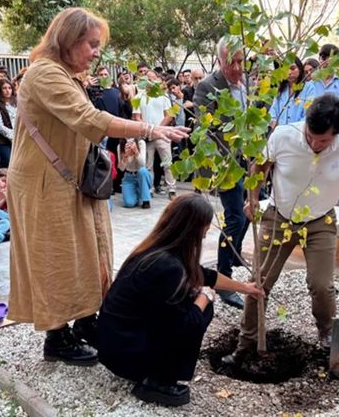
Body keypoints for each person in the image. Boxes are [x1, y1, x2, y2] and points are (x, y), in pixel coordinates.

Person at [6, 7, 188, 366]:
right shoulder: (45, 73)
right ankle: (57, 337)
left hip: (71, 181)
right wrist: (149, 130)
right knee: (56, 257)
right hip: (45, 184)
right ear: (68, 40)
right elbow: (90, 119)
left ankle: (87, 320)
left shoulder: (65, 73)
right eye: (91, 44)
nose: (95, 53)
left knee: (91, 251)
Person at [223, 94, 339, 360]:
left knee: (322, 285)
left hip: (319, 222)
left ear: (338, 133)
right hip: (279, 217)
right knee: (259, 282)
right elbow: (260, 166)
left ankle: (327, 334)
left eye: (323, 140)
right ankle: (247, 343)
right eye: (310, 136)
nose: (314, 143)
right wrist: (252, 197)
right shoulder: (284, 135)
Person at [98, 194, 264, 406]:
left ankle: (158, 370)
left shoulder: (156, 250)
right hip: (125, 356)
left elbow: (204, 274)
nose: (205, 234)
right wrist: (205, 296)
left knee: (191, 297)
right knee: (201, 308)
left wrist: (245, 288)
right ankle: (159, 382)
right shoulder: (168, 267)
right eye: (204, 228)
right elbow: (185, 324)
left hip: (115, 343)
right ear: (192, 229)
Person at [193, 37, 249, 309]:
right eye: (232, 62)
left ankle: (234, 255)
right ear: (219, 61)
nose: (238, 68)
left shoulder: (246, 84)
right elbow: (205, 132)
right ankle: (224, 279)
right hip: (225, 166)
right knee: (235, 219)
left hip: (248, 163)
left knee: (250, 212)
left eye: (241, 61)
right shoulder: (207, 87)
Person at [133, 70, 177, 198]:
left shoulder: (163, 96)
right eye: (147, 79)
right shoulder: (138, 97)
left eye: (153, 79)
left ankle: (172, 188)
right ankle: (149, 189)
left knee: (168, 162)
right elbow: (137, 117)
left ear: (158, 80)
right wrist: (149, 131)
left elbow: (169, 116)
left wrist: (157, 129)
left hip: (162, 134)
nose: (150, 82)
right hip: (147, 136)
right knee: (148, 164)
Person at [299, 44, 339, 122]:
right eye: (323, 57)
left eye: (329, 58)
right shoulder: (312, 83)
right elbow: (304, 109)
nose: (325, 61)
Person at [268, 57, 306, 128]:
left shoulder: (308, 87)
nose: (289, 72)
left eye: (293, 68)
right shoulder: (281, 89)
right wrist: (276, 125)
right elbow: (273, 112)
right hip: (280, 133)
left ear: (300, 69)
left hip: (299, 133)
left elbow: (308, 115)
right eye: (286, 69)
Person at [117, 138, 152, 208]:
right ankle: (139, 193)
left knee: (142, 171)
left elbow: (142, 164)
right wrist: (125, 156)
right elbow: (121, 168)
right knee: (129, 203)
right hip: (128, 176)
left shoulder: (141, 143)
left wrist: (136, 152)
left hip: (141, 174)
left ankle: (146, 200)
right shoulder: (120, 146)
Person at [0, 78, 16, 168]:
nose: (7, 90)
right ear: (0, 90)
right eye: (4, 88)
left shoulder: (17, 103)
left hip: (19, 139)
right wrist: (13, 135)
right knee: (9, 164)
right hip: (4, 141)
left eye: (9, 88)